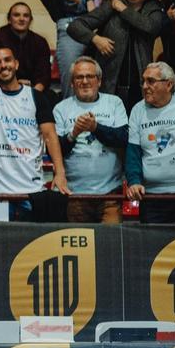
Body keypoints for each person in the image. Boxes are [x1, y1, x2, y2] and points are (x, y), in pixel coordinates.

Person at [0, 4, 70, 215]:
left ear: (16, 64)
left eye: (7, 60)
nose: (3, 65)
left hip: (32, 190)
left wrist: (60, 173)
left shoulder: (36, 97)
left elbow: (50, 136)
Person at [67, 0, 167, 111]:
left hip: (141, 83)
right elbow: (75, 27)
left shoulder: (153, 10)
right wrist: (95, 39)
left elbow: (150, 27)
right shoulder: (111, 6)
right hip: (110, 82)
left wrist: (123, 9)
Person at [51, 57, 128, 223]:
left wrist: (96, 128)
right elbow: (56, 151)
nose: (84, 81)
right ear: (72, 83)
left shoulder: (114, 103)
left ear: (99, 81)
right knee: (80, 247)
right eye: (79, 77)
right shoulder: (61, 108)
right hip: (74, 193)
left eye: (90, 76)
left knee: (112, 244)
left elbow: (123, 138)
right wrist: (74, 133)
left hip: (110, 193)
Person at [127, 61, 175, 223]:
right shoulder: (138, 110)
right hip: (152, 197)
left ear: (169, 84)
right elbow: (133, 152)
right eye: (143, 81)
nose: (144, 86)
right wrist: (134, 181)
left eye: (151, 81)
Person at [0, 3, 51, 93]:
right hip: (3, 90)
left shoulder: (40, 42)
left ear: (30, 20)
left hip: (33, 89)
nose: (21, 19)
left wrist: (34, 95)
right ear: (9, 19)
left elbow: (44, 74)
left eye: (26, 16)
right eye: (16, 15)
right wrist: (15, 85)